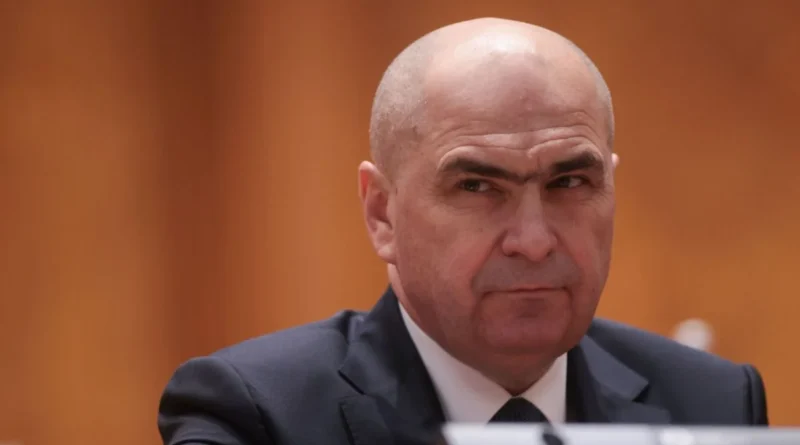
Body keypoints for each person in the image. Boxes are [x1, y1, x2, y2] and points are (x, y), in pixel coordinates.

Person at [158, 17, 768, 445]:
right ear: (382, 214)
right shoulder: (257, 415)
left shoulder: (712, 402)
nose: (534, 241)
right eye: (477, 187)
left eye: (568, 182)